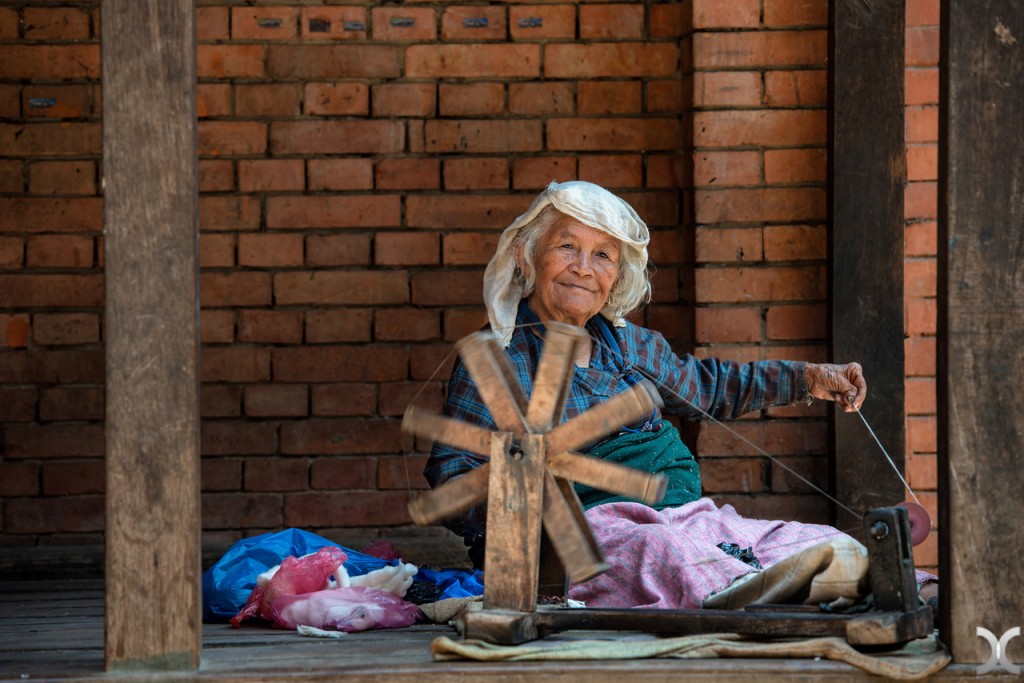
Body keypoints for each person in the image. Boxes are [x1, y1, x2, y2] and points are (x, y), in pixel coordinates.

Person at [424, 180, 913, 610]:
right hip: (582, 540)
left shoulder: (628, 345)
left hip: (680, 517)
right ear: (527, 255)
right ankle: (754, 589)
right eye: (566, 246)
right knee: (660, 552)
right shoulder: (497, 361)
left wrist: (807, 378)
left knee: (791, 539)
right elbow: (453, 478)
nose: (583, 268)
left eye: (602, 255)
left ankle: (820, 576)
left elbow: (710, 387)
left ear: (617, 274)